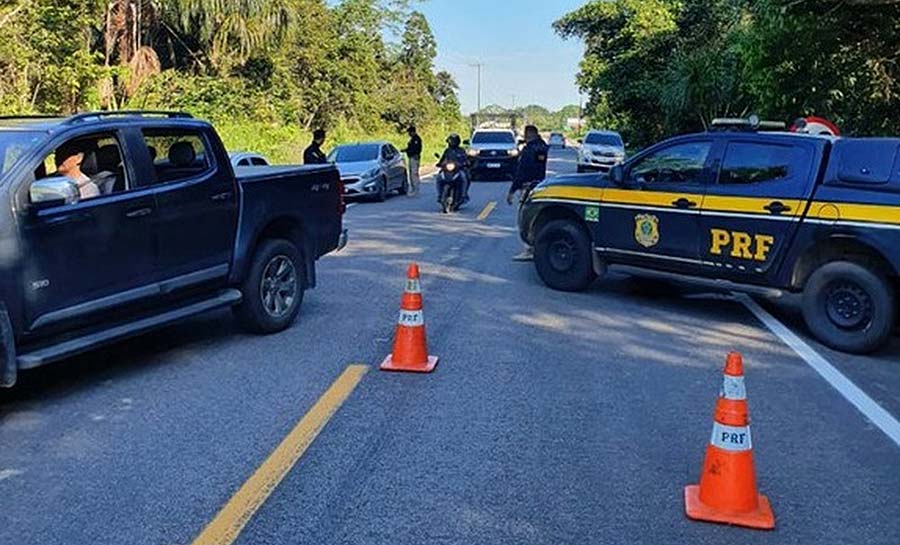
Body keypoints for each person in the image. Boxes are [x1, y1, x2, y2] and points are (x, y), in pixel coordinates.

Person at [506, 125, 549, 261]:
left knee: (524, 218)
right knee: (536, 217)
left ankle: (529, 249)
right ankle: (535, 246)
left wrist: (512, 190)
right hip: (540, 185)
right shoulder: (542, 147)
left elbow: (522, 171)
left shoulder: (528, 150)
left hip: (527, 187)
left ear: (528, 135)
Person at [436, 133, 469, 204]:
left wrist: (465, 163)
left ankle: (463, 194)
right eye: (451, 141)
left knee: (464, 177)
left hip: (458, 169)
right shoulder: (447, 150)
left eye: (453, 141)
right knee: (439, 178)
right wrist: (440, 163)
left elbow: (466, 159)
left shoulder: (461, 150)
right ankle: (440, 195)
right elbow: (442, 159)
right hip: (447, 170)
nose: (452, 142)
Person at [401, 125, 423, 196]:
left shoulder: (417, 139)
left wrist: (408, 150)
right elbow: (410, 148)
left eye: (409, 132)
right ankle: (413, 188)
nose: (409, 134)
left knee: (414, 173)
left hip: (414, 157)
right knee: (411, 173)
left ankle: (416, 189)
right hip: (411, 157)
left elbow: (416, 149)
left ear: (413, 132)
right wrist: (405, 150)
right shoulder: (412, 139)